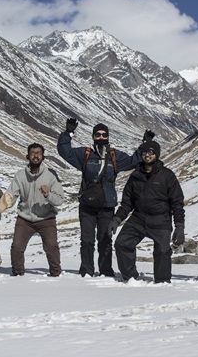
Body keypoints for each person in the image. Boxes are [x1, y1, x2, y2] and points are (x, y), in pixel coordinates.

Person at [57, 118, 149, 278]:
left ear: (107, 136)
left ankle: (106, 271)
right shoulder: (85, 154)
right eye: (97, 135)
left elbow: (134, 160)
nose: (101, 137)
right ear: (93, 137)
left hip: (107, 206)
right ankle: (86, 270)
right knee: (87, 240)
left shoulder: (115, 156)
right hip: (87, 205)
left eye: (103, 134)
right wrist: (68, 133)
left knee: (105, 239)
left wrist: (145, 144)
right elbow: (65, 151)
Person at [108, 140, 185, 283]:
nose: (147, 155)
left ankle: (162, 283)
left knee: (162, 251)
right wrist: (117, 219)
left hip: (160, 220)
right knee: (122, 243)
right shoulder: (135, 176)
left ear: (156, 154)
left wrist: (179, 227)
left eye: (151, 152)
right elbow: (127, 203)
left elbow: (177, 203)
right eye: (144, 152)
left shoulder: (167, 175)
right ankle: (130, 278)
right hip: (138, 218)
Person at [0, 143, 65, 277]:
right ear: (28, 156)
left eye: (39, 153)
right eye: (33, 153)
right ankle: (17, 273)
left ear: (43, 156)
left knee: (51, 246)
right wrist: (7, 201)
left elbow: (60, 199)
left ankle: (56, 272)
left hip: (46, 218)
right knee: (17, 247)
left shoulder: (51, 176)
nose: (36, 156)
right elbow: (12, 193)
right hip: (25, 219)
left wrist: (48, 195)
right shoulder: (20, 175)